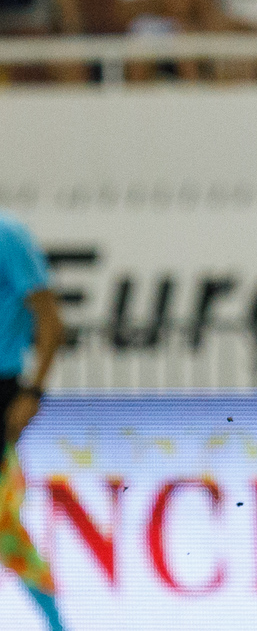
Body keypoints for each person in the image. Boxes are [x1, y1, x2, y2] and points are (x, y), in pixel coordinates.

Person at [0, 211, 65, 631]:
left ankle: (58, 623)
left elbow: (52, 321)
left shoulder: (7, 237)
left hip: (2, 388)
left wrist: (33, 391)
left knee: (5, 523)